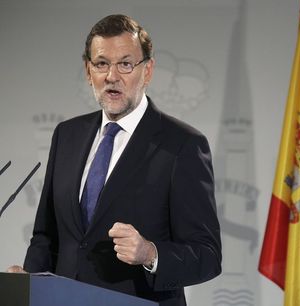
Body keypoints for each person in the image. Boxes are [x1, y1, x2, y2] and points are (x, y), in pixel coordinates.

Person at [7, 14, 221, 306]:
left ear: (147, 71)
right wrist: (29, 284)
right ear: (88, 70)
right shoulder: (67, 135)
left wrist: (151, 253)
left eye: (125, 64)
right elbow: (46, 236)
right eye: (102, 63)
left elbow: (207, 255)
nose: (112, 76)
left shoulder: (182, 145)